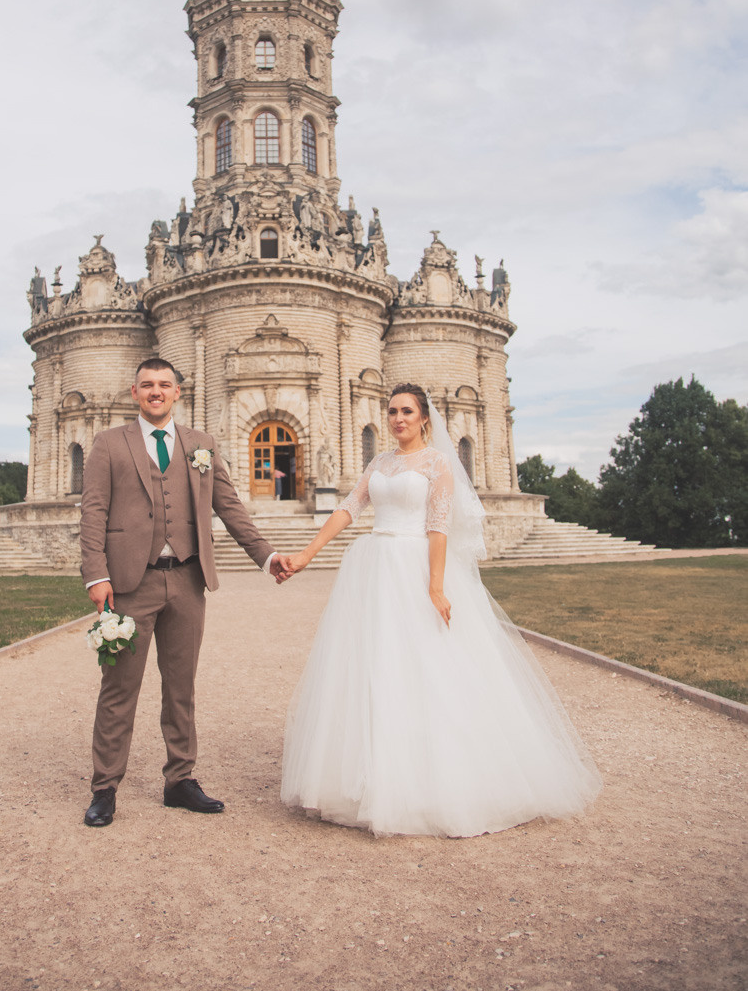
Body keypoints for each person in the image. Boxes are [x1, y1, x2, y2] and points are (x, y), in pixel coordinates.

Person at [279, 383, 602, 838]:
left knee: (426, 667)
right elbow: (350, 508)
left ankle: (436, 779)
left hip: (412, 565)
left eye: (407, 411)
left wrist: (435, 585)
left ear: (425, 417)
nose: (398, 419)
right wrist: (307, 554)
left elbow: (438, 526)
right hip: (373, 566)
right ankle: (369, 777)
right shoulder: (379, 462)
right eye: (392, 411)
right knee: (373, 668)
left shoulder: (438, 463)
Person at [80, 358, 289, 827]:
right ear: (134, 392)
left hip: (189, 580)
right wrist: (96, 575)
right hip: (131, 583)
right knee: (119, 688)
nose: (156, 392)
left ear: (178, 392)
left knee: (181, 686)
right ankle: (105, 786)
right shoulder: (109, 444)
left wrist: (267, 556)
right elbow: (92, 513)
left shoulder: (202, 445)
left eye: (165, 385)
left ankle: (180, 779)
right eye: (148, 385)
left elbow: (230, 508)